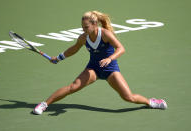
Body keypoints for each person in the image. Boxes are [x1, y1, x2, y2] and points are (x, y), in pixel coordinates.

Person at [33, 11, 167, 115]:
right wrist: (58, 58)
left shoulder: (105, 34)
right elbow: (74, 49)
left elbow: (121, 48)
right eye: (82, 27)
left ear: (94, 24)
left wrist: (110, 58)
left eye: (86, 27)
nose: (84, 30)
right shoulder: (83, 38)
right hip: (94, 68)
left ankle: (151, 102)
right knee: (73, 87)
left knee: (129, 97)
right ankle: (44, 104)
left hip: (110, 69)